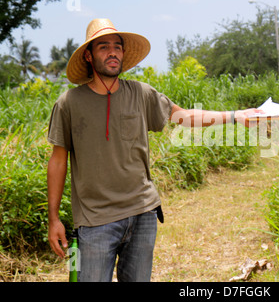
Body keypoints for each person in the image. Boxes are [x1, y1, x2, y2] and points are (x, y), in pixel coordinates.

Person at [47, 18, 262, 282]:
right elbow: (58, 161)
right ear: (89, 56)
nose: (112, 52)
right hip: (95, 222)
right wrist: (54, 218)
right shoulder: (69, 103)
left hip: (142, 213)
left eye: (117, 46)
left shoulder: (141, 93)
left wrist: (235, 116)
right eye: (104, 47)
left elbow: (183, 117)